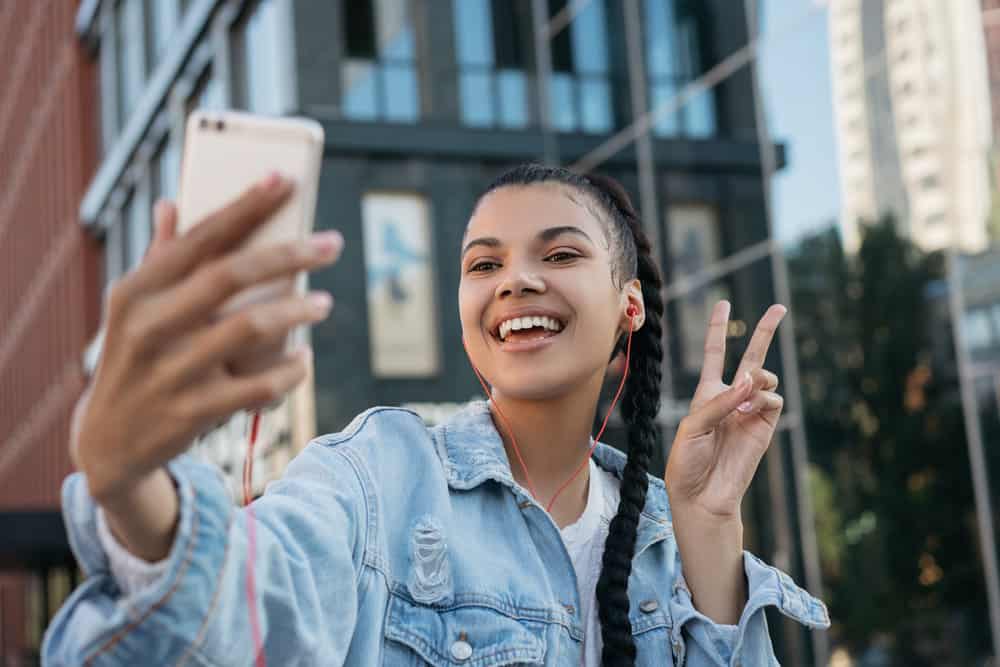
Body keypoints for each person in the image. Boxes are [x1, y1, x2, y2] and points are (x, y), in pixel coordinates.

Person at [42, 164, 829, 666]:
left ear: (629, 307)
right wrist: (130, 482)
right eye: (484, 264)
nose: (514, 280)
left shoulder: (665, 529)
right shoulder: (379, 474)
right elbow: (255, 602)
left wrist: (709, 518)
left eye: (558, 255)